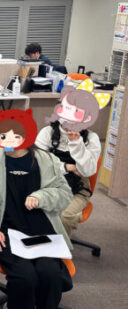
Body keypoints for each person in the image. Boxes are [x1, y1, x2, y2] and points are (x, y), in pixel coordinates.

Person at [0, 108, 73, 309]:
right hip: (7, 230)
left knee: (50, 273)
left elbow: (64, 194)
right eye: (3, 135)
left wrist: (41, 197)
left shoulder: (46, 160)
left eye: (16, 135)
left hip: (41, 229)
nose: (9, 140)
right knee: (25, 275)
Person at [37, 79, 108, 235]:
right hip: (48, 182)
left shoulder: (92, 138)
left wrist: (77, 143)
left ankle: (62, 247)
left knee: (64, 216)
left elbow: (87, 171)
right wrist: (68, 167)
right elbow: (38, 164)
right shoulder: (47, 133)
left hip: (77, 188)